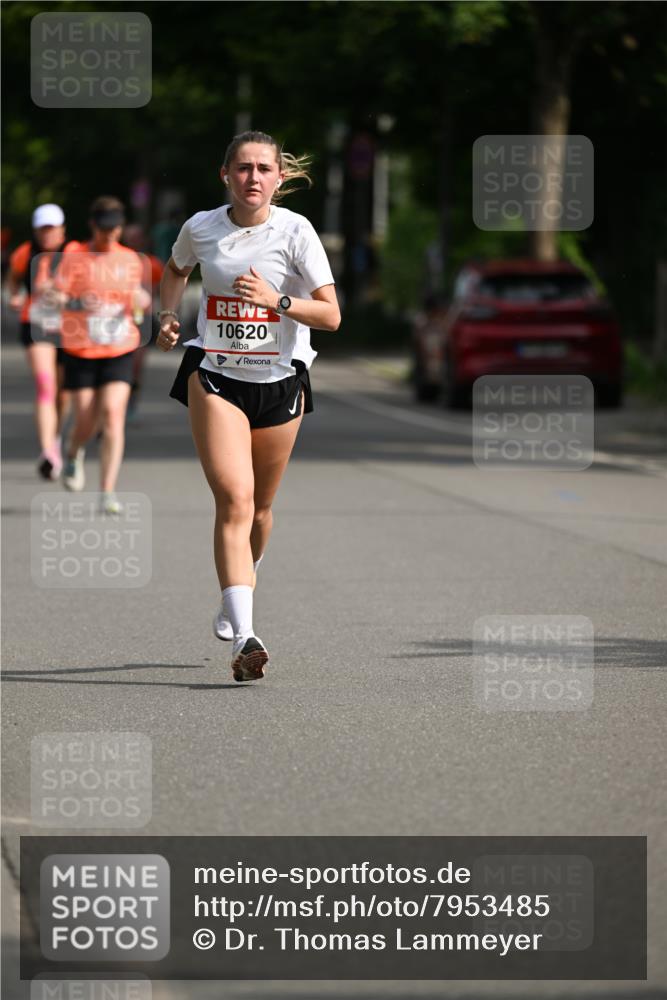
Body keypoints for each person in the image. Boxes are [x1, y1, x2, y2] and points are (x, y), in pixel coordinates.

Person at [158, 130, 341, 682]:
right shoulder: (201, 227)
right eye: (243, 168)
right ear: (226, 175)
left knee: (260, 509)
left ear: (279, 178)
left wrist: (277, 300)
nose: (253, 178)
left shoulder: (297, 232)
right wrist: (166, 317)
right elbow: (175, 271)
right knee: (235, 501)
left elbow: (331, 316)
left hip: (282, 381)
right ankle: (245, 637)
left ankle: (237, 586)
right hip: (215, 377)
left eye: (264, 168)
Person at [54, 196, 150, 513]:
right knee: (85, 418)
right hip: (81, 348)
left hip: (119, 347)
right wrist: (80, 303)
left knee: (112, 413)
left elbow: (139, 301)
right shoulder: (74, 255)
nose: (109, 235)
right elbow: (57, 296)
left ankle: (107, 491)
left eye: (115, 229)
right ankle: (74, 451)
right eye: (104, 229)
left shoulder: (131, 260)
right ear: (93, 225)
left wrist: (141, 301)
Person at [7, 204, 74, 479]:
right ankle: (47, 451)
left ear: (63, 229)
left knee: (63, 392)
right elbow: (12, 281)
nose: (47, 234)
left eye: (52, 228)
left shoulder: (76, 252)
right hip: (36, 323)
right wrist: (14, 296)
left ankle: (56, 439)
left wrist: (62, 291)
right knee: (45, 385)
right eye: (42, 229)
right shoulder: (24, 253)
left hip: (70, 326)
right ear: (35, 230)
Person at [122, 223, 164, 421]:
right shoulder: (116, 261)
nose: (133, 241)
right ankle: (114, 404)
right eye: (130, 237)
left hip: (142, 319)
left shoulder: (152, 264)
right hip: (119, 319)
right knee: (119, 362)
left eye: (137, 237)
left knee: (136, 365)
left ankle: (132, 403)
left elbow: (160, 291)